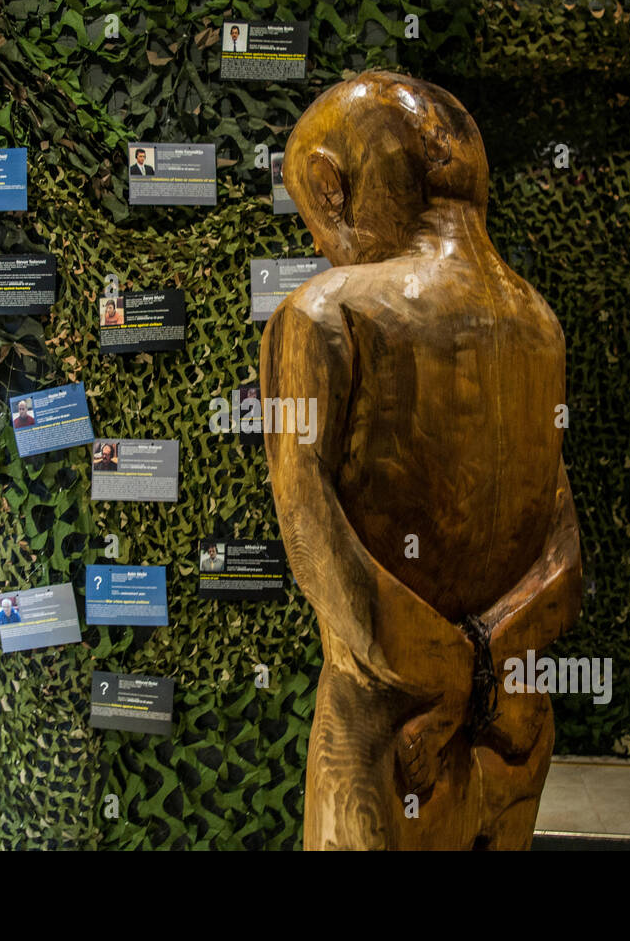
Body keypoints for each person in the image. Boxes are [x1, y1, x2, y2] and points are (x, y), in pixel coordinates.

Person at [261, 72, 582, 851]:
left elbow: (313, 534)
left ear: (330, 186)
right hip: (511, 718)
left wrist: (442, 673)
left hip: (390, 732)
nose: (316, 242)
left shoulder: (321, 315)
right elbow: (565, 559)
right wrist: (488, 657)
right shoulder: (539, 324)